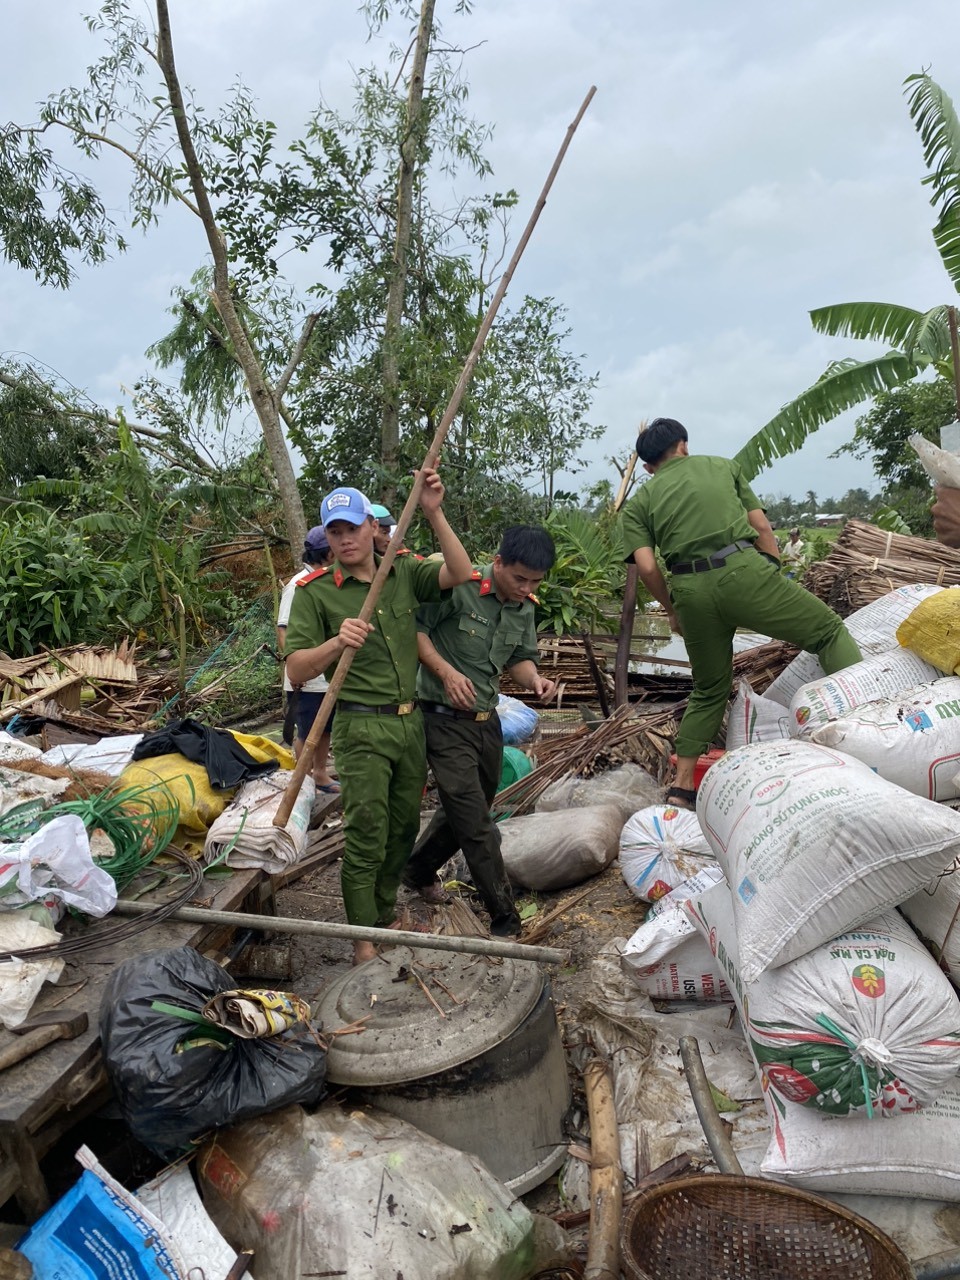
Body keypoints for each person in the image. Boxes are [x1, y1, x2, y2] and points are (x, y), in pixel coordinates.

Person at [620, 417, 861, 810]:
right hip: (742, 571)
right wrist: (769, 572)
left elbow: (647, 568)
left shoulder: (638, 505)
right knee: (829, 632)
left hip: (689, 591)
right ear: (683, 445)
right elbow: (762, 526)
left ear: (648, 467)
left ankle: (681, 787)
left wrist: (673, 610)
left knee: (710, 688)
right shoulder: (722, 466)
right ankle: (862, 722)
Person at [284, 470, 472, 965]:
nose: (344, 539)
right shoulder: (315, 592)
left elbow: (460, 570)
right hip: (360, 725)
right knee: (368, 831)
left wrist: (433, 509)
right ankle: (363, 941)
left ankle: (383, 914)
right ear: (327, 537)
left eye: (352, 528)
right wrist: (335, 642)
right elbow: (296, 667)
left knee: (403, 829)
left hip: (410, 724)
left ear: (371, 527)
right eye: (335, 532)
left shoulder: (403, 573)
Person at [402, 526, 558, 937]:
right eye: (519, 577)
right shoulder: (461, 587)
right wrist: (445, 671)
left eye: (535, 582)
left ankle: (415, 869)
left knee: (464, 811)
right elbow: (415, 632)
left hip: (487, 722)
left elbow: (520, 661)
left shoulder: (524, 609)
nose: (526, 588)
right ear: (499, 562)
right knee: (476, 823)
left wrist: (536, 681)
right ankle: (505, 916)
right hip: (441, 719)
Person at [276, 526, 339, 793]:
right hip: (307, 678)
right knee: (306, 730)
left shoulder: (328, 581)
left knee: (324, 727)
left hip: (325, 673)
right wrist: (296, 668)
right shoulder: (297, 586)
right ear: (326, 553)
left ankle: (321, 774)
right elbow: (284, 629)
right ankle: (304, 779)